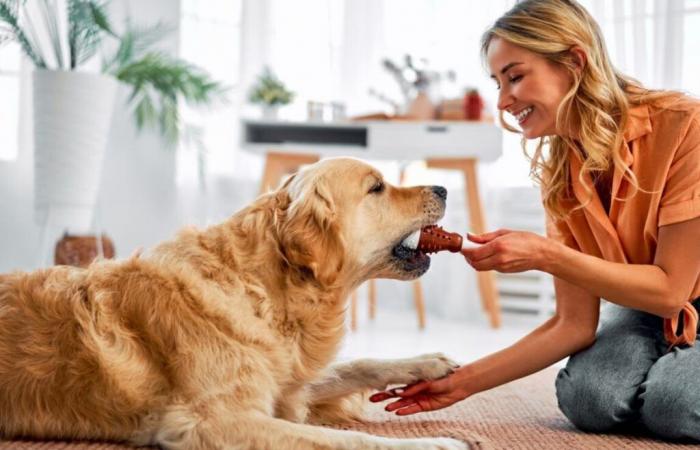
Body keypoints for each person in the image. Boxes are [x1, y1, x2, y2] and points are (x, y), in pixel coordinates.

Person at [371, 0, 700, 441]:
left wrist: (546, 255)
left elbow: (670, 290)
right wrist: (462, 383)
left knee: (673, 404)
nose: (503, 101)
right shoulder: (558, 173)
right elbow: (573, 324)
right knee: (590, 399)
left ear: (575, 62)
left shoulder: (685, 127)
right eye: (498, 83)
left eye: (516, 77)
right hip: (645, 310)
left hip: (671, 296)